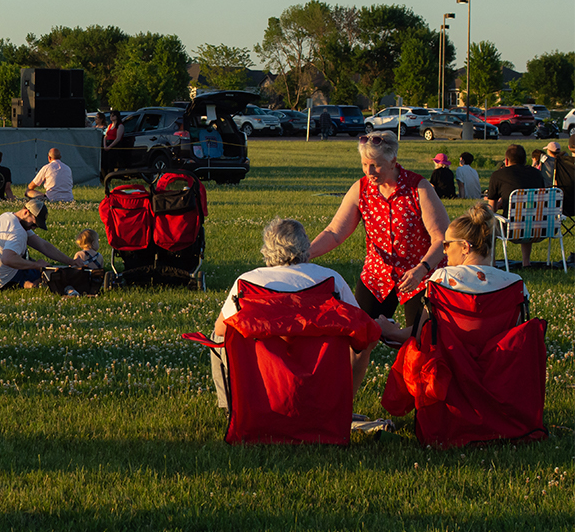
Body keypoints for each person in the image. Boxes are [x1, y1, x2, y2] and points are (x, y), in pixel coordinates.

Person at [214, 217, 373, 401]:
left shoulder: (248, 282)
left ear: (267, 247)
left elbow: (221, 329)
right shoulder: (330, 280)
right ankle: (343, 405)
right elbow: (361, 328)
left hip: (265, 375)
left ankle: (232, 408)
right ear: (305, 245)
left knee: (218, 335)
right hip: (319, 374)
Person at [309, 131, 448, 333]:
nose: (369, 171)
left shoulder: (419, 187)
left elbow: (441, 239)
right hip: (378, 274)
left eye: (376, 164)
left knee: (420, 338)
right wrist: (305, 254)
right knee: (359, 334)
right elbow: (335, 232)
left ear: (393, 161)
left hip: (419, 274)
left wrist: (421, 269)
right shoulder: (361, 189)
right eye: (365, 164)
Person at [377, 204, 525, 345]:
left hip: (451, 364)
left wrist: (390, 331)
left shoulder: (443, 279)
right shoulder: (515, 284)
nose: (444, 251)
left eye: (447, 244)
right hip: (498, 366)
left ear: (465, 247)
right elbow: (519, 336)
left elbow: (421, 333)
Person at [0, 199, 82, 289]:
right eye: (34, 223)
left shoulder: (8, 218)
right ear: (26, 212)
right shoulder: (18, 231)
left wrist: (70, 261)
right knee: (54, 274)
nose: (34, 227)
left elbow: (43, 245)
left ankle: (29, 281)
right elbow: (8, 259)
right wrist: (36, 266)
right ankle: (31, 282)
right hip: (3, 280)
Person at [486, 143, 546, 267]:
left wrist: (500, 204)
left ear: (506, 161)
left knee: (488, 222)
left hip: (511, 229)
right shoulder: (537, 174)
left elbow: (492, 208)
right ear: (525, 160)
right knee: (528, 213)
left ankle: (492, 263)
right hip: (539, 228)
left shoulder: (498, 175)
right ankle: (526, 262)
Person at [102, 111, 127, 180]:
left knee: (111, 162)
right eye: (110, 116)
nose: (111, 117)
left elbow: (118, 138)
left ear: (117, 116)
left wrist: (110, 147)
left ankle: (110, 178)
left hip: (114, 146)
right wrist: (105, 145)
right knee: (104, 162)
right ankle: (104, 177)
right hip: (107, 144)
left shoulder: (120, 126)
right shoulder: (110, 125)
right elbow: (105, 135)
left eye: (113, 115)